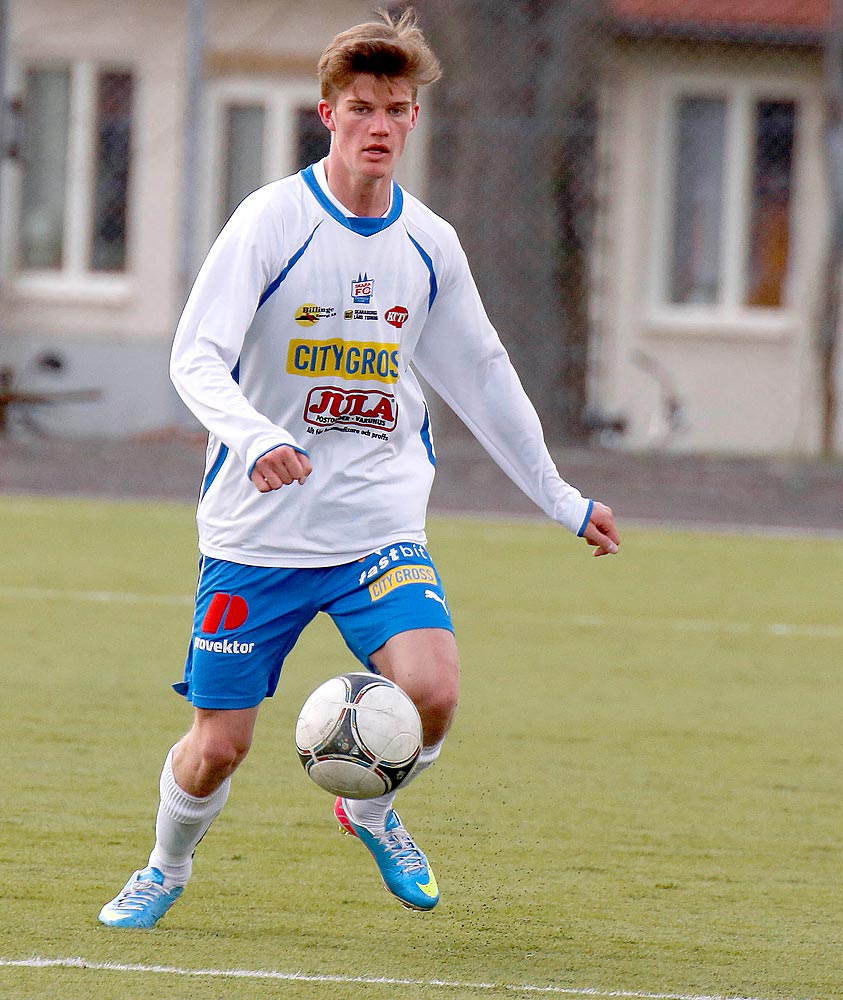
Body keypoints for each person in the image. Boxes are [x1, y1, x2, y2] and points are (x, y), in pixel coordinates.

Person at [99, 9, 619, 929]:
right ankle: (164, 868)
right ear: (327, 114)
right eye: (363, 108)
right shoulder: (272, 220)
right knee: (218, 747)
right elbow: (194, 355)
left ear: (415, 120)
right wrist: (258, 441)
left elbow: (485, 379)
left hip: (375, 525)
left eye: (398, 109)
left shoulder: (430, 245)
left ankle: (372, 808)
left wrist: (562, 499)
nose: (380, 125)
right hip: (255, 535)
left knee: (435, 691)